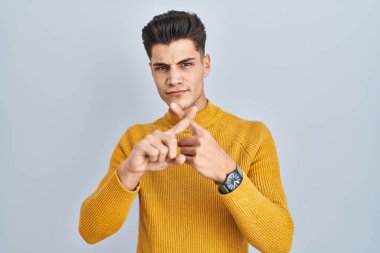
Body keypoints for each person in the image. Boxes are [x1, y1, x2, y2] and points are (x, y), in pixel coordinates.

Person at [78, 10, 294, 253]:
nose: (173, 78)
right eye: (162, 68)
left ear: (206, 65)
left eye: (185, 64)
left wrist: (228, 173)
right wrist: (129, 172)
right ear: (151, 71)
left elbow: (279, 244)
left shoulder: (252, 136)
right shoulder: (137, 141)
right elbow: (90, 231)